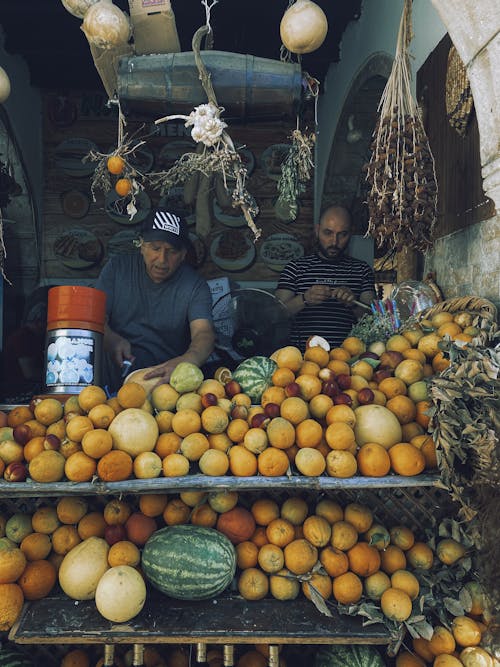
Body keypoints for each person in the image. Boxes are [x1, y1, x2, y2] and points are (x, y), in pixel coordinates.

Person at [95, 207, 215, 393]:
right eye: (155, 248)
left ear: (183, 254)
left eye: (171, 251)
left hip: (163, 388)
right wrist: (110, 339)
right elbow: (94, 318)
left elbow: (204, 333)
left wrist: (186, 361)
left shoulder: (195, 286)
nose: (161, 259)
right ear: (142, 246)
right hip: (108, 386)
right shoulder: (117, 269)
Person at [275, 205, 376, 350]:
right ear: (317, 230)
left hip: (349, 361)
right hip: (302, 361)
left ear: (351, 234)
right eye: (327, 233)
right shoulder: (295, 268)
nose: (334, 242)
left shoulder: (361, 270)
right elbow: (276, 314)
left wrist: (353, 303)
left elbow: (374, 320)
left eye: (342, 234)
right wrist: (304, 299)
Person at [1, 286, 49, 399]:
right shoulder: (23, 338)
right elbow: (30, 373)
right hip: (15, 391)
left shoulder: (31, 337)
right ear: (39, 321)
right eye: (46, 323)